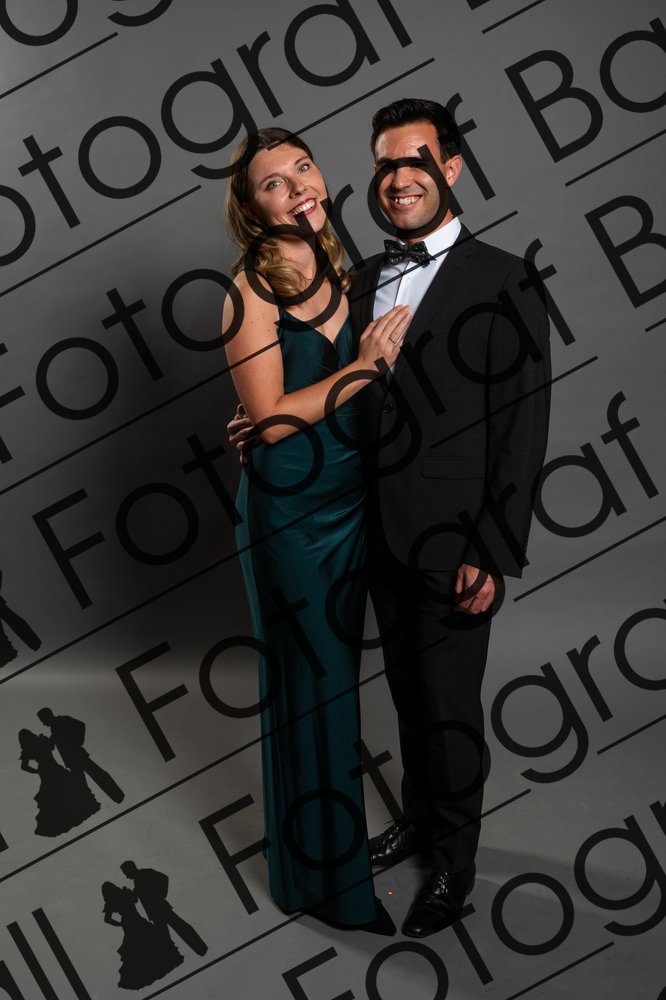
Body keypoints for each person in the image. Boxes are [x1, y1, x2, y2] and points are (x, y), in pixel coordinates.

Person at [229, 99, 551, 938]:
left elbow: (522, 426)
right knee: (407, 693)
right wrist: (263, 419)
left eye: (417, 160)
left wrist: (492, 548)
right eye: (385, 163)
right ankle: (416, 820)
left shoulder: (505, 278)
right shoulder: (360, 272)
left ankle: (453, 866)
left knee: (448, 706)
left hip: (452, 536)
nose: (399, 177)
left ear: (451, 168)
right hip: (362, 522)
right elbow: (330, 381)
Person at [221, 126, 410, 929]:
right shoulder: (248, 289)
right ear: (252, 208)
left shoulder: (345, 268)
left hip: (356, 499)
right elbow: (269, 421)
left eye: (303, 167)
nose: (297, 184)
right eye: (274, 181)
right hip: (292, 518)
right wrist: (360, 369)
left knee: (340, 685)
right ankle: (324, 885)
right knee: (312, 689)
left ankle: (322, 864)